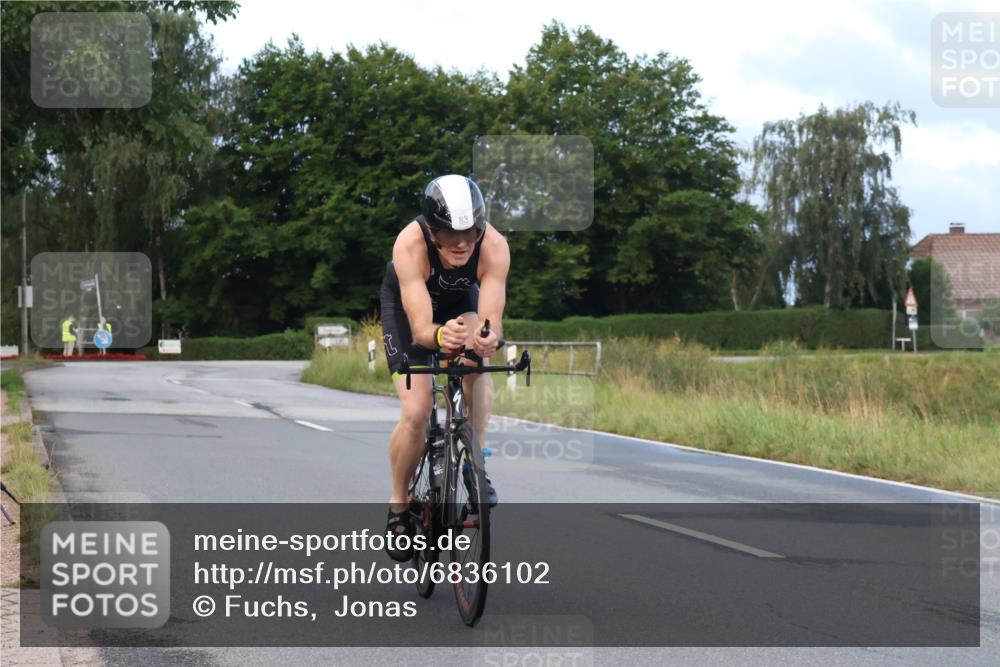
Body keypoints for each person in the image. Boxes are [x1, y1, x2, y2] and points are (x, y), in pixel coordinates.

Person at [380, 174, 510, 562]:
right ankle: (399, 504)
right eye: (450, 234)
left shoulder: (494, 247)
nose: (462, 243)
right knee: (417, 412)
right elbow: (421, 330)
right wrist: (440, 338)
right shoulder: (409, 244)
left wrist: (487, 336)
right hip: (410, 314)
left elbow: (491, 319)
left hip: (458, 304)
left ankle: (475, 459)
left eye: (470, 232)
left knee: (477, 362)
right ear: (432, 229)